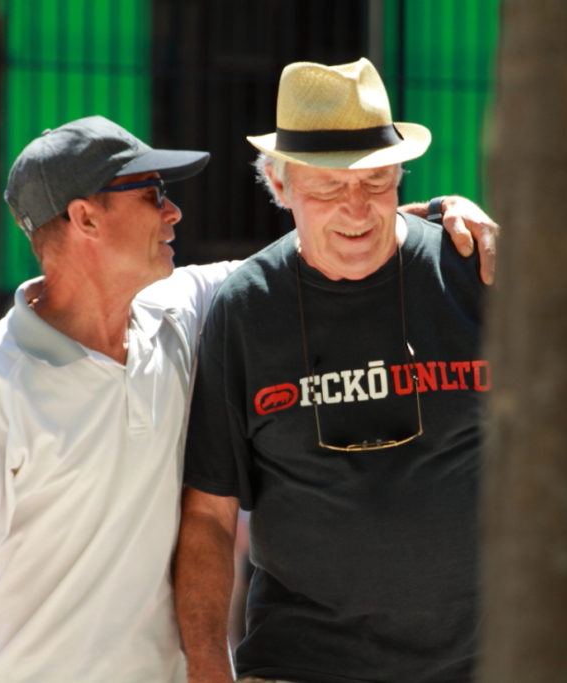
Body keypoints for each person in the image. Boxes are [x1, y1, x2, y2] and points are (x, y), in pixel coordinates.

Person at [0, 113, 496, 681]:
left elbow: (331, 242)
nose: (174, 212)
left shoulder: (185, 311)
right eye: (153, 195)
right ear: (85, 218)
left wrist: (439, 217)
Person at [175, 58, 490, 682]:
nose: (356, 210)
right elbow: (210, 515)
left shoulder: (472, 273)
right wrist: (209, 668)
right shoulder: (244, 311)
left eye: (376, 182)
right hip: (302, 662)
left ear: (401, 176)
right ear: (280, 185)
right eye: (328, 188)